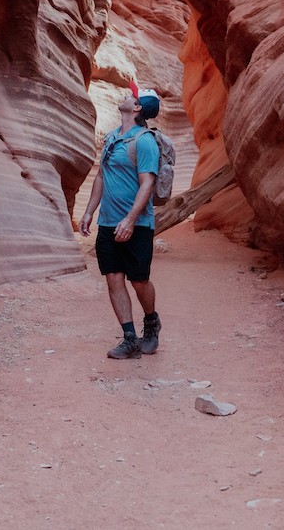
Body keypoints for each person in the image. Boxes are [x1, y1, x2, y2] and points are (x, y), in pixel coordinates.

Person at [79, 83, 163, 359]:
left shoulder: (145, 141)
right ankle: (129, 337)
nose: (126, 95)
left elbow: (147, 184)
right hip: (108, 222)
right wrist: (90, 210)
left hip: (136, 224)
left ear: (137, 107)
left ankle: (151, 322)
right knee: (114, 278)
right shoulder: (111, 138)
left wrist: (129, 219)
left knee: (139, 280)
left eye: (132, 94)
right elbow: (101, 177)